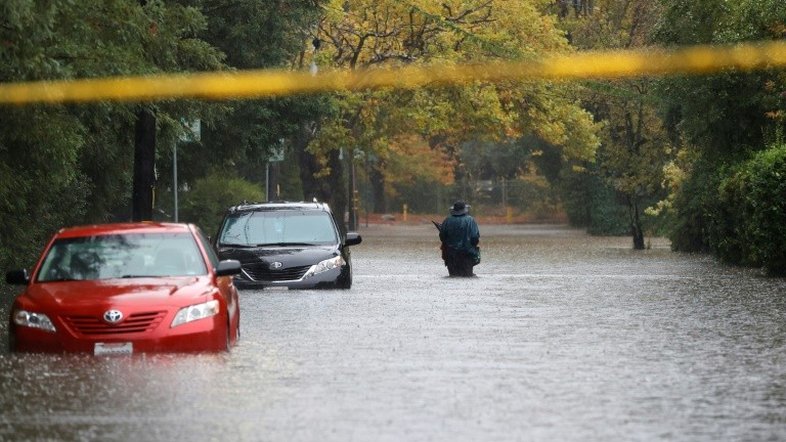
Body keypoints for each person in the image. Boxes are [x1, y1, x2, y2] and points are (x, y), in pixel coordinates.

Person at [439, 201, 480, 277]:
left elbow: (442, 237)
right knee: (467, 277)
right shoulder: (470, 220)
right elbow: (475, 237)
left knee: (453, 277)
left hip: (451, 256)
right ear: (464, 210)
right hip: (467, 255)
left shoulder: (447, 220)